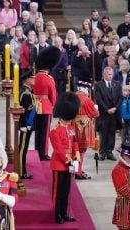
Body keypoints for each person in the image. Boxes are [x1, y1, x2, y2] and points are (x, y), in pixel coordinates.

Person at [50, 92, 80, 224]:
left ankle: (64, 212)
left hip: (70, 163)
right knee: (58, 192)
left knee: (66, 191)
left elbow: (74, 143)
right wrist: (69, 161)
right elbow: (59, 150)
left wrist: (76, 157)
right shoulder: (54, 131)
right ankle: (57, 214)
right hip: (59, 164)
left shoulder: (70, 127)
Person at [33, 46, 59, 161]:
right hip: (46, 106)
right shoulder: (49, 78)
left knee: (38, 130)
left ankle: (37, 150)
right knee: (45, 132)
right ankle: (43, 153)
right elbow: (53, 95)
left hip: (36, 106)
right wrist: (53, 105)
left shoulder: (35, 77)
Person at [73, 81, 100, 180]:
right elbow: (95, 114)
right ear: (85, 89)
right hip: (84, 128)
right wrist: (96, 108)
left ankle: (75, 169)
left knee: (74, 149)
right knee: (81, 150)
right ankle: (78, 171)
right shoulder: (87, 100)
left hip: (72, 126)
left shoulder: (72, 98)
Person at [95, 67, 122, 161]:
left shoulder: (117, 84)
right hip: (103, 114)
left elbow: (120, 98)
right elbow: (98, 100)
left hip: (114, 113)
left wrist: (115, 108)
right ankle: (102, 152)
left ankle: (109, 152)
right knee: (103, 133)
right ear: (104, 74)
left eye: (111, 74)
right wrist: (107, 109)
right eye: (108, 74)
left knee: (112, 133)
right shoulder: (98, 85)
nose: (110, 76)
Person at [111, 143, 130, 229]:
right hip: (124, 205)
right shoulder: (117, 170)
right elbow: (123, 189)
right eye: (129, 156)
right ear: (122, 154)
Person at [18, 70, 35, 179]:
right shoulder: (25, 93)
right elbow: (22, 110)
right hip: (25, 125)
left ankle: (22, 170)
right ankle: (20, 172)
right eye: (32, 78)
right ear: (27, 80)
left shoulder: (29, 91)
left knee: (24, 148)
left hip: (29, 124)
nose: (34, 80)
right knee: (22, 149)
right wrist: (23, 124)